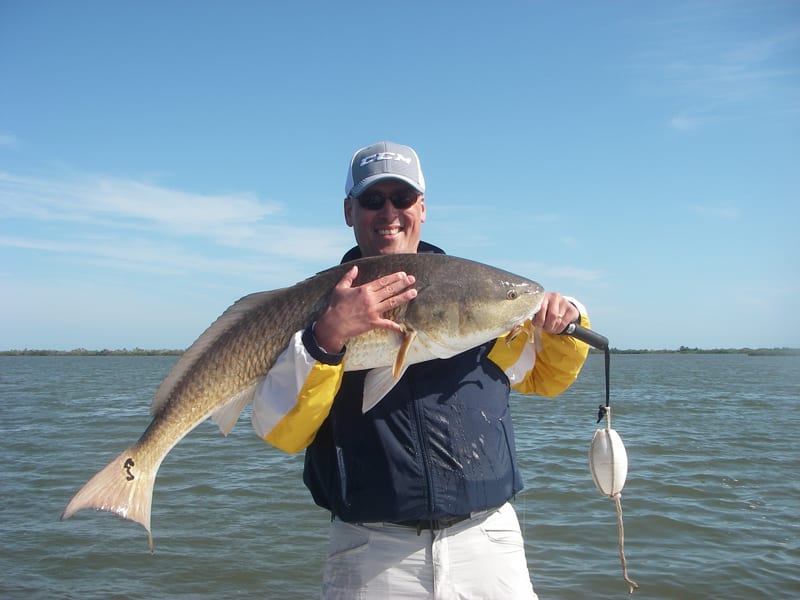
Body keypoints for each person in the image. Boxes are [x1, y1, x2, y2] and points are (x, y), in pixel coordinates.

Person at [251, 141, 590, 599]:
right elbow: (279, 430)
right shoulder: (314, 308)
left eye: (402, 198)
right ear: (350, 211)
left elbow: (546, 377)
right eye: (373, 200)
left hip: (486, 543)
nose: (388, 211)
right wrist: (326, 340)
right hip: (372, 552)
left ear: (423, 208)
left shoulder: (474, 297)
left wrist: (565, 322)